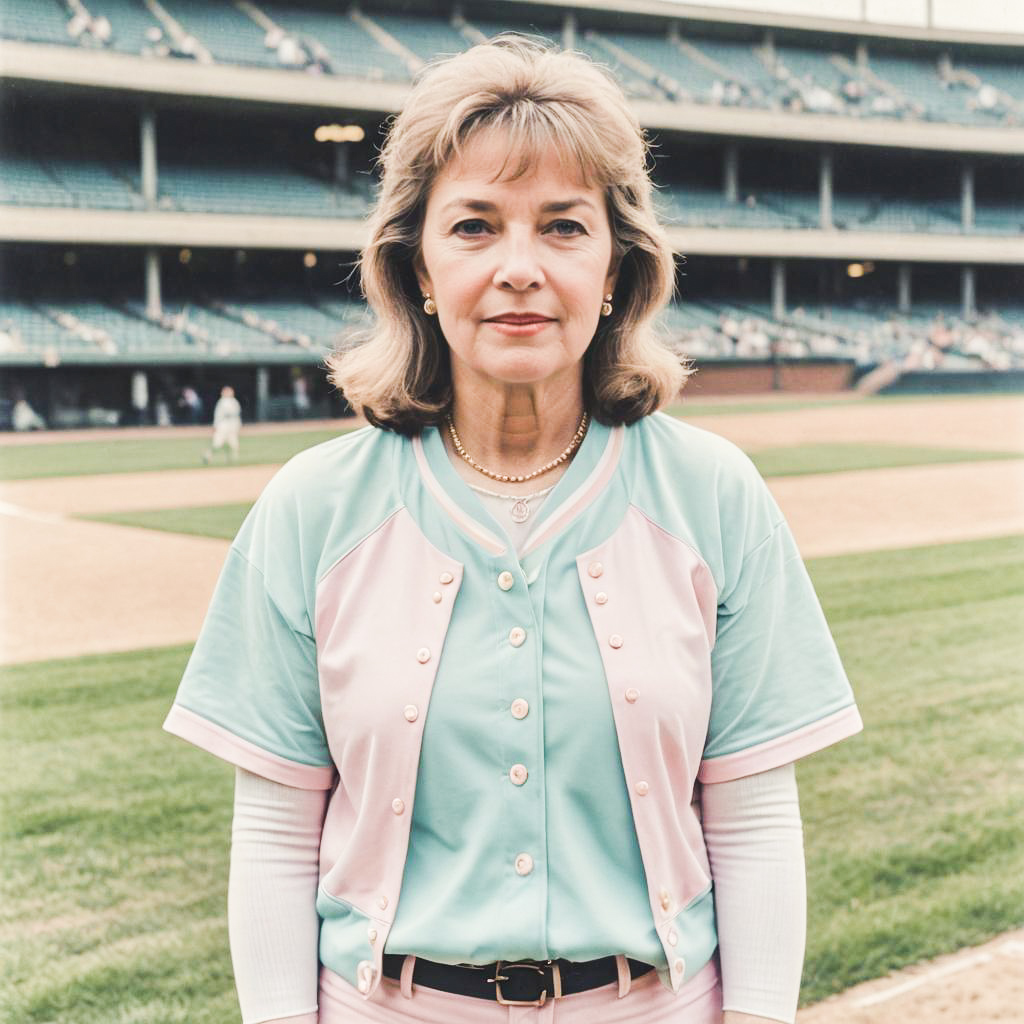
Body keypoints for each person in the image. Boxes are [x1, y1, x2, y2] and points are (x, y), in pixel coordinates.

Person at [164, 37, 862, 1024]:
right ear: (415, 266)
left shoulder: (714, 495)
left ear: (618, 264)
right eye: (475, 226)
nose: (519, 268)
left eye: (564, 227)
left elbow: (751, 823)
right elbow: (276, 837)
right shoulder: (310, 508)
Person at [202, 385, 242, 464]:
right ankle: (208, 456)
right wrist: (215, 426)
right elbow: (218, 415)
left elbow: (237, 416)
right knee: (217, 443)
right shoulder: (223, 402)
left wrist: (238, 425)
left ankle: (232, 460)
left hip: (231, 426)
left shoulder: (234, 401)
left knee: (233, 443)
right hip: (223, 426)